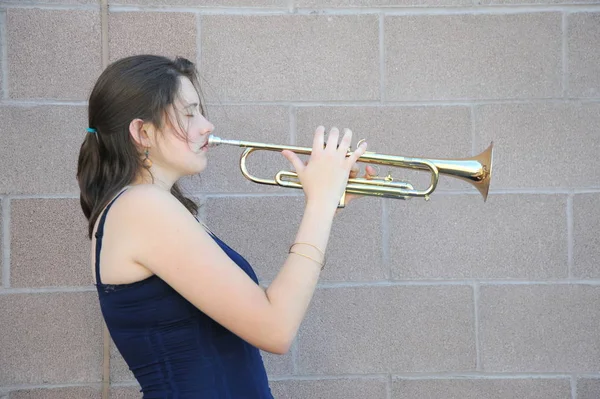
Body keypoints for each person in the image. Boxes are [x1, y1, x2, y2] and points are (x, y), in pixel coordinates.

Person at [77, 54, 374, 398]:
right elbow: (275, 328)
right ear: (142, 132)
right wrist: (319, 204)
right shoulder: (141, 206)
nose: (207, 125)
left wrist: (326, 205)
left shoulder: (145, 207)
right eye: (189, 114)